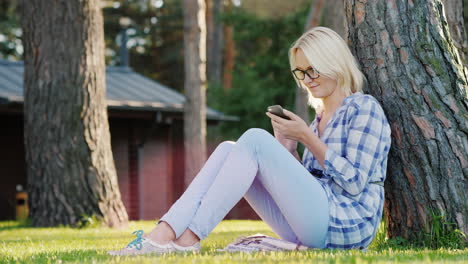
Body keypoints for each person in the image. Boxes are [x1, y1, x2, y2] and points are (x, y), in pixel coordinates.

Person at [108, 26, 391, 256]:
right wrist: (289, 148)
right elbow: (311, 186)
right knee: (228, 149)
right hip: (314, 221)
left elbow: (353, 182)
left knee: (255, 139)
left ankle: (188, 239)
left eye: (312, 70)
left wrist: (305, 136)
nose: (307, 80)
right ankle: (164, 234)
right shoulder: (318, 119)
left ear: (335, 63)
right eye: (301, 73)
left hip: (345, 224)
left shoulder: (363, 108)